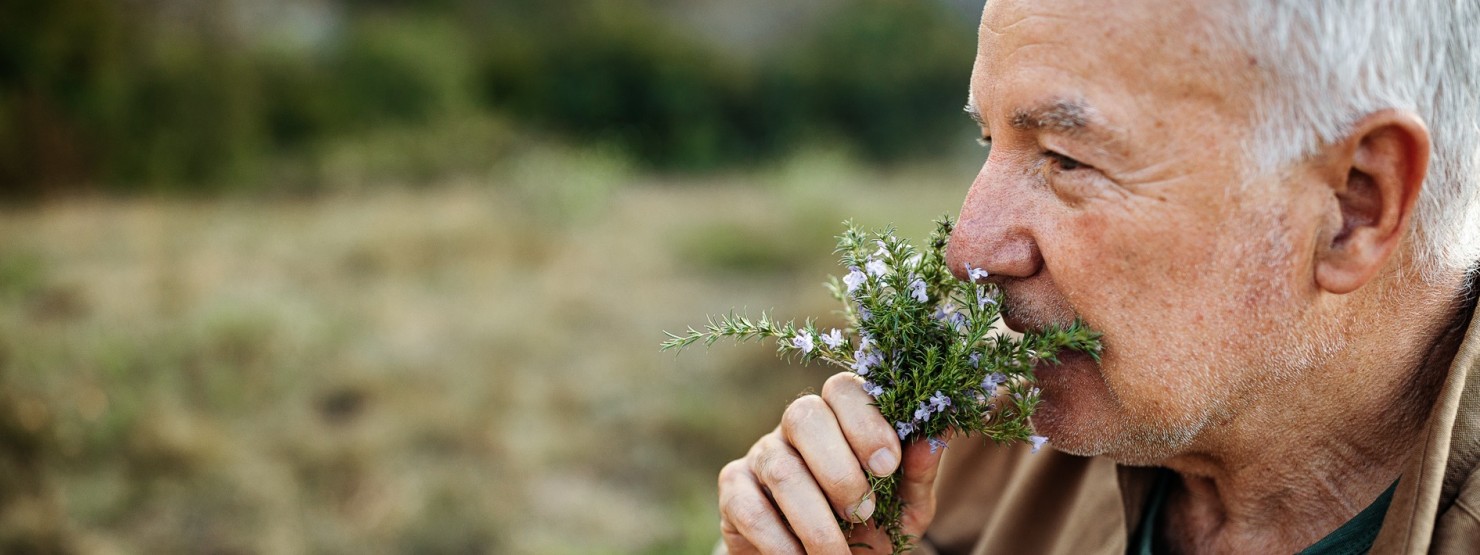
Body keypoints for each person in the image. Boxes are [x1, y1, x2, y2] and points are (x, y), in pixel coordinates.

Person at [714, 0, 1480, 552]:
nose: (970, 248)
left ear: (1353, 204)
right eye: (988, 137)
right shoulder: (986, 449)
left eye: (1066, 158)